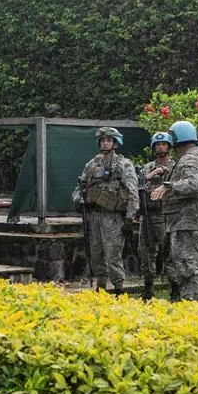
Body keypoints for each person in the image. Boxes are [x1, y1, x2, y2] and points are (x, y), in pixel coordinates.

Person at [150, 120, 198, 303]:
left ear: (176, 138)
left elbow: (193, 184)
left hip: (190, 222)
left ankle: (192, 307)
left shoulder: (189, 158)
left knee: (188, 266)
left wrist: (167, 187)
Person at [72, 126, 140, 293]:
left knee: (112, 255)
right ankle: (100, 287)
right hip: (94, 216)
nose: (105, 143)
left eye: (109, 140)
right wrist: (78, 200)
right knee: (96, 254)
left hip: (113, 218)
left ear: (115, 144)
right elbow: (80, 188)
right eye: (102, 140)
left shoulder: (123, 164)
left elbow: (132, 191)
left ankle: (118, 289)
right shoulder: (92, 164)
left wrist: (130, 218)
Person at [138, 132, 176, 300]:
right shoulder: (147, 168)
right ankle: (148, 288)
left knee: (169, 252)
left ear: (169, 147)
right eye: (158, 145)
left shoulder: (174, 166)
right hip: (147, 215)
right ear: (154, 148)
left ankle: (175, 288)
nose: (161, 147)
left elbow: (174, 181)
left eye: (164, 144)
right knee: (145, 252)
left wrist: (160, 172)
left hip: (165, 215)